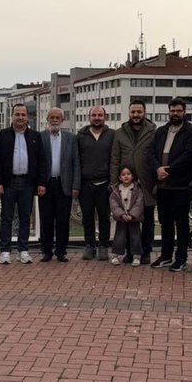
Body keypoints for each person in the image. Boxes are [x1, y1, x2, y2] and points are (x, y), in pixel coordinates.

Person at [147, 98, 192, 272]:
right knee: (165, 223)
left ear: (184, 112)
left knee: (181, 224)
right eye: (172, 111)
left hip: (181, 186)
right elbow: (151, 153)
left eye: (178, 111)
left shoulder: (191, 131)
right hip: (163, 187)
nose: (175, 114)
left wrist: (168, 170)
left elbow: (189, 156)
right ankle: (165, 256)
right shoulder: (161, 131)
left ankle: (181, 258)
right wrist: (157, 169)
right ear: (168, 111)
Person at [0, 103, 47, 264]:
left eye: (23, 114)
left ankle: (23, 250)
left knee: (25, 219)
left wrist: (41, 183)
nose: (20, 117)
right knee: (6, 218)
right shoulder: (2, 135)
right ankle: (5, 251)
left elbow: (42, 161)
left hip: (28, 183)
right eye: (17, 114)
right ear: (12, 116)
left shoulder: (35, 137)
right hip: (8, 183)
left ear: (27, 117)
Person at [109, 100, 157, 264]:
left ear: (144, 113)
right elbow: (115, 159)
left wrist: (156, 182)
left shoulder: (153, 132)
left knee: (148, 220)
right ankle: (130, 252)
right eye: (133, 112)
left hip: (147, 183)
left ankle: (146, 251)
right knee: (126, 220)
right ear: (129, 113)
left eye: (139, 112)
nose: (136, 115)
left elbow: (156, 156)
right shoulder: (120, 133)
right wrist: (114, 183)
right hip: (126, 185)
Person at [39, 109, 80, 262]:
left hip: (65, 185)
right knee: (46, 219)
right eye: (52, 117)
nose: (55, 120)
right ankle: (46, 251)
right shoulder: (41, 137)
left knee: (63, 220)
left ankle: (61, 251)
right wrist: (39, 183)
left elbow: (76, 163)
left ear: (62, 120)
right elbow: (37, 163)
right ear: (47, 119)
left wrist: (75, 186)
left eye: (58, 117)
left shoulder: (71, 138)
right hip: (46, 185)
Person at [77, 106, 114, 260]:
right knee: (87, 217)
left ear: (105, 117)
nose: (97, 118)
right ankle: (89, 246)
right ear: (89, 117)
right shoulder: (80, 136)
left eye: (100, 115)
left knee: (104, 217)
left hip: (105, 183)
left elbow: (115, 158)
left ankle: (104, 246)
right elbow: (76, 160)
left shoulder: (112, 135)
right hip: (86, 184)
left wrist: (114, 182)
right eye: (94, 115)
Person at [109, 166, 144, 266]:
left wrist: (133, 215)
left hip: (133, 218)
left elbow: (139, 203)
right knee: (119, 237)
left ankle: (136, 256)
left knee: (135, 237)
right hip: (121, 218)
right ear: (119, 177)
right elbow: (113, 204)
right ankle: (115, 255)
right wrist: (121, 214)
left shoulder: (137, 189)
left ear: (132, 176)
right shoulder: (115, 189)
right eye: (123, 174)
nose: (126, 176)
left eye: (128, 174)